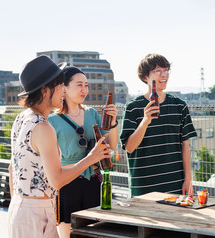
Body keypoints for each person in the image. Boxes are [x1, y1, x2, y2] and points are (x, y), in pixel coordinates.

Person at [8, 56, 110, 238]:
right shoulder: (44, 127)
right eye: (60, 85)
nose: (64, 90)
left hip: (19, 208)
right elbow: (57, 180)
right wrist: (91, 158)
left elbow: (11, 169)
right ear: (46, 90)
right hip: (37, 214)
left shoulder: (22, 118)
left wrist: (23, 204)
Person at [48, 66, 119, 238]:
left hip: (93, 181)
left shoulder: (92, 113)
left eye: (86, 85)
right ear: (63, 88)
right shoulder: (52, 120)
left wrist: (114, 122)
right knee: (67, 233)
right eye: (79, 85)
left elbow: (112, 145)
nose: (84, 89)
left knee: (94, 233)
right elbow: (53, 162)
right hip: (67, 183)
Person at [120, 54, 197, 197]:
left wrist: (188, 179)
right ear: (145, 77)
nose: (164, 75)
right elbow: (129, 148)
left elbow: (185, 145)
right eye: (158, 71)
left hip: (175, 184)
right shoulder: (133, 108)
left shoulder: (179, 106)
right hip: (144, 187)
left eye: (166, 70)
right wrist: (145, 121)